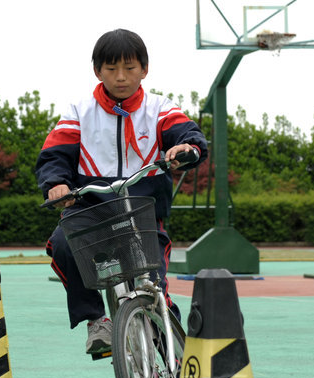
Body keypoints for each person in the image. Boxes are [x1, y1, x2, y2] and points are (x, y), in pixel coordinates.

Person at [35, 28, 208, 354]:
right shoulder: (79, 112)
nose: (121, 77)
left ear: (144, 69)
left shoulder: (159, 108)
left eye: (130, 68)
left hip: (142, 209)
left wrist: (186, 148)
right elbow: (54, 155)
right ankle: (96, 320)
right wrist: (57, 184)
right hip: (90, 209)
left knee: (156, 288)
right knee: (63, 243)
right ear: (97, 71)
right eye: (111, 69)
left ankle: (176, 357)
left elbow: (186, 133)